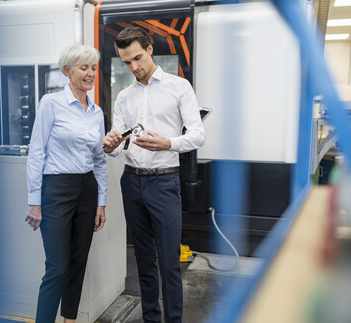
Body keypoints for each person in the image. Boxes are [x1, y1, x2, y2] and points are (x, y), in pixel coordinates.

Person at [102, 26, 205, 323]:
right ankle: (151, 319)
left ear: (149, 49)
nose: (134, 67)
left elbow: (198, 136)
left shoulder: (179, 87)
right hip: (132, 182)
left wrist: (168, 143)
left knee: (170, 263)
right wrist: (110, 145)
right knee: (143, 261)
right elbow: (118, 148)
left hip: (164, 181)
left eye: (137, 58)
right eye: (126, 62)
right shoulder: (123, 97)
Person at [25, 44, 107, 323]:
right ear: (67, 71)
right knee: (57, 267)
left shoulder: (96, 112)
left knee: (77, 262)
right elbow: (36, 151)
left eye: (93, 68)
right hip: (56, 189)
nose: (90, 73)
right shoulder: (51, 103)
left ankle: (69, 320)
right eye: (83, 67)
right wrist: (34, 200)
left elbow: (99, 160)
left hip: (87, 188)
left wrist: (101, 202)